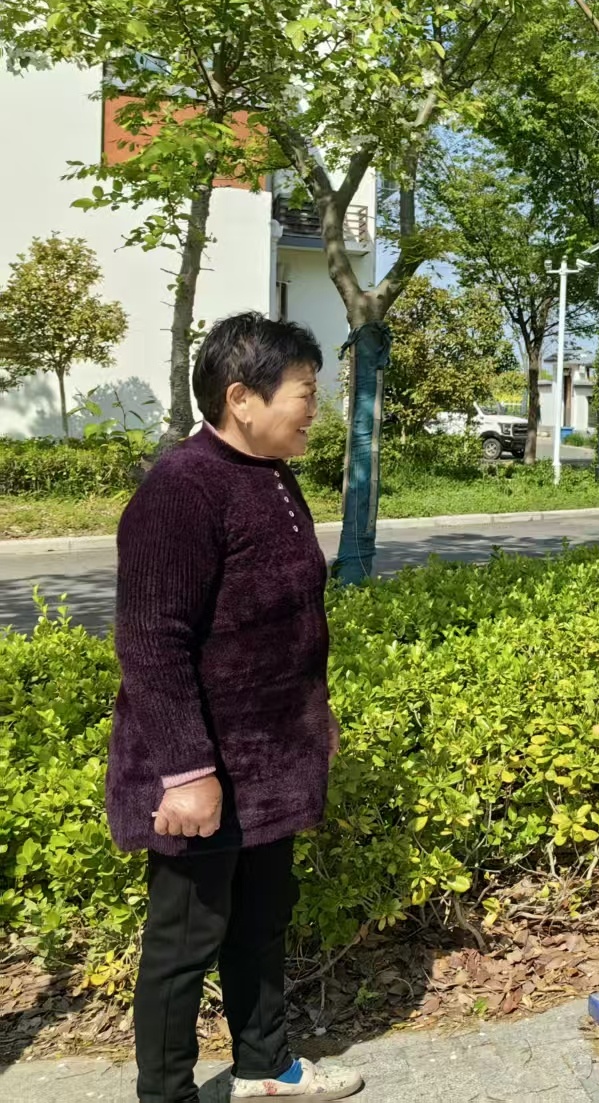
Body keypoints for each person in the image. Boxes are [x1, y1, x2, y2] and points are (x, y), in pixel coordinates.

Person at [112, 314, 362, 1102]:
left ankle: (265, 1064)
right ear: (241, 398)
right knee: (186, 940)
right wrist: (187, 772)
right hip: (204, 768)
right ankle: (168, 1094)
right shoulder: (181, 488)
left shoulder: (268, 474)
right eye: (304, 393)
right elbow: (151, 642)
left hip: (269, 761)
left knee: (262, 921)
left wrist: (314, 723)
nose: (314, 409)